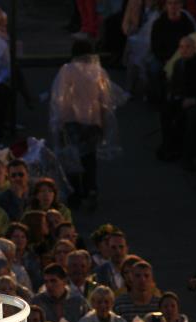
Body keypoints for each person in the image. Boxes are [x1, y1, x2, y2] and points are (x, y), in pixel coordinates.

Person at [49, 39, 125, 209]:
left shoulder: (67, 71)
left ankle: (76, 191)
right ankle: (91, 188)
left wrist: (58, 123)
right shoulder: (98, 72)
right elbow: (105, 101)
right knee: (89, 158)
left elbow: (60, 99)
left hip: (71, 121)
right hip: (93, 122)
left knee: (72, 157)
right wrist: (104, 123)